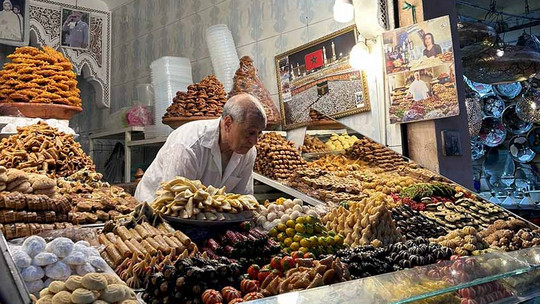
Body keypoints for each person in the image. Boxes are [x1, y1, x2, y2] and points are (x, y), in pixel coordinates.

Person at [135, 93, 267, 203]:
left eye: (258, 134)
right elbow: (175, 202)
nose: (254, 141)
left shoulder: (248, 153)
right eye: (250, 133)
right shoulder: (188, 144)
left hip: (205, 218)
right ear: (228, 123)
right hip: (153, 213)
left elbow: (242, 199)